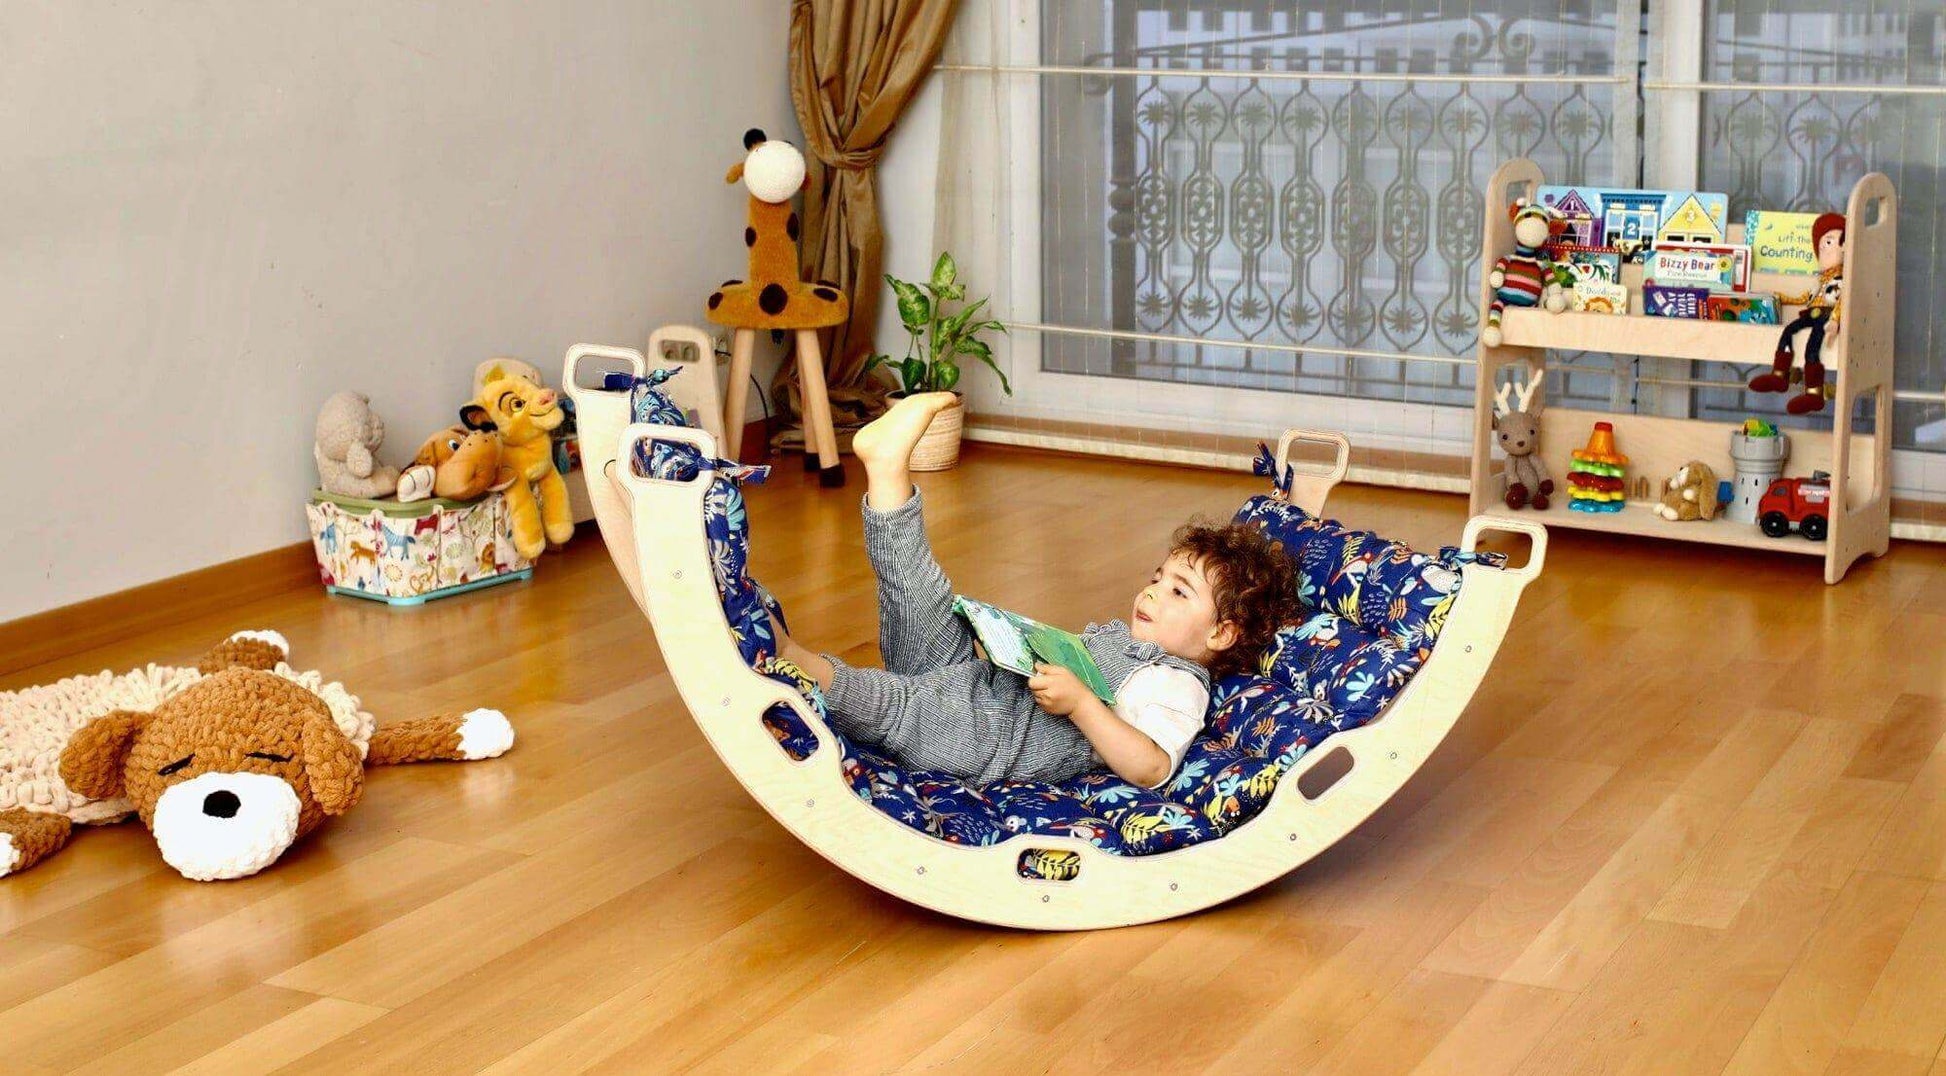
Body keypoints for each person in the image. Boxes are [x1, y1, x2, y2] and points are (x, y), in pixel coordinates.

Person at [771, 394, 1295, 789]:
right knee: (919, 598)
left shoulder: (1178, 684)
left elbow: (1151, 766)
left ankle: (797, 664)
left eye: (1179, 593)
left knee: (896, 703)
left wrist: (1082, 704)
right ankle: (886, 469)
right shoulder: (1129, 643)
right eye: (1158, 578)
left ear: (1221, 633)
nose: (1153, 593)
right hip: (978, 689)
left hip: (986, 740)